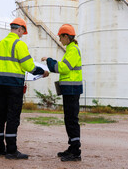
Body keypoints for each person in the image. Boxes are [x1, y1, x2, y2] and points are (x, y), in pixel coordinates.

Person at [0, 17, 49, 160]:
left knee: (1, 116)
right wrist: (42, 72)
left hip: (1, 84)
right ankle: (11, 151)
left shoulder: (0, 44)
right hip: (14, 86)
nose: (21, 35)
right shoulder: (19, 45)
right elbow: (29, 66)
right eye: (22, 32)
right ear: (19, 29)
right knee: (12, 117)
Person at [41, 24, 82, 162]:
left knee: (71, 120)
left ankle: (75, 152)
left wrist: (49, 61)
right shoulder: (70, 50)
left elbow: (63, 68)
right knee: (69, 119)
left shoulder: (73, 50)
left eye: (60, 37)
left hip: (72, 90)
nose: (59, 40)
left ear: (66, 36)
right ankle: (72, 147)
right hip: (69, 90)